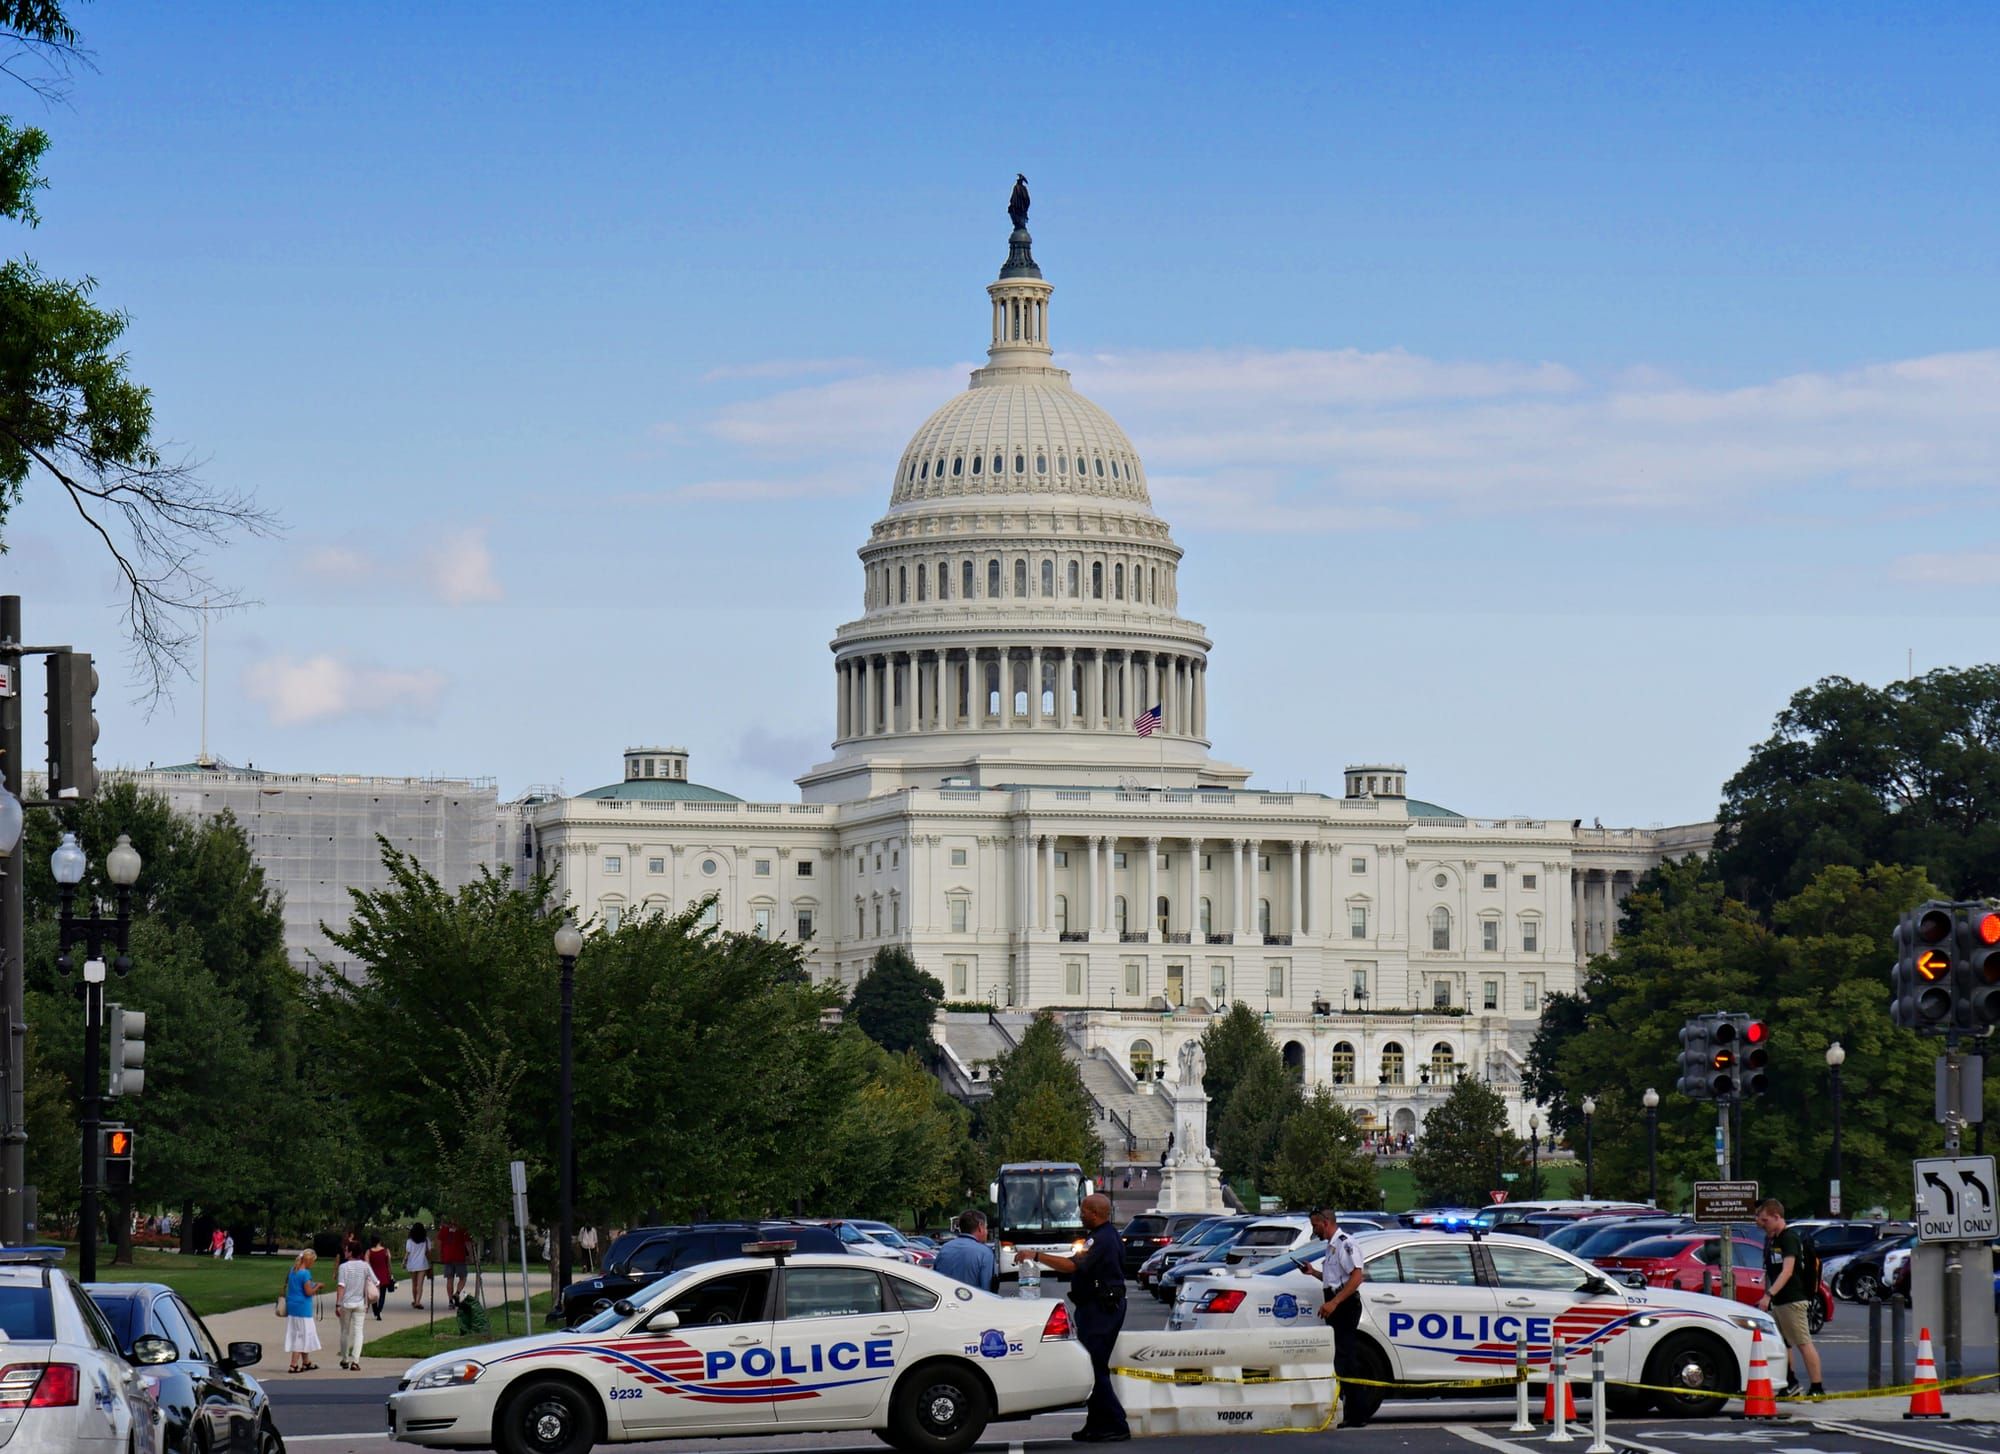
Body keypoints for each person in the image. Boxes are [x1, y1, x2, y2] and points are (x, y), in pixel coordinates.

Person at [1019, 1193, 1128, 1443]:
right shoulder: (1101, 1237)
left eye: (1084, 1211)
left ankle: (1116, 1424)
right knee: (1091, 1366)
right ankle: (1097, 1424)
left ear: (1095, 1212)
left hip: (1102, 1309)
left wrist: (1035, 1256)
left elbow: (1072, 1266)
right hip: (1096, 1307)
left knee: (1094, 1366)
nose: (1080, 1215)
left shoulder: (1101, 1239)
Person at [1307, 1207, 1370, 1428]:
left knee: (1345, 1358)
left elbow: (1356, 1277)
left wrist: (1334, 1302)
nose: (1314, 1231)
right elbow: (1335, 1279)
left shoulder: (1345, 1244)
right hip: (1337, 1305)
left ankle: (1354, 1412)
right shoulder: (1331, 1247)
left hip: (1344, 1306)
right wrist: (1313, 1273)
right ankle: (1354, 1412)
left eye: (1315, 1226)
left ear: (1325, 1222)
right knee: (1344, 1357)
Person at [1755, 1197, 1823, 1398]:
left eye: (1765, 1220)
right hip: (1779, 1301)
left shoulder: (1789, 1238)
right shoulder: (1773, 1239)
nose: (1762, 1225)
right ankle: (1790, 1382)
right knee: (1783, 1343)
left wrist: (1768, 1295)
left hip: (1793, 1299)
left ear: (1777, 1217)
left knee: (1803, 1342)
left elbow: (1787, 1271)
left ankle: (1817, 1387)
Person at [334, 1243, 380, 1371]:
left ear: (350, 1252)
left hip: (346, 1303)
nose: (345, 1252)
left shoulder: (343, 1267)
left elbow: (341, 1286)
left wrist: (338, 1303)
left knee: (345, 1331)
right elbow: (376, 1281)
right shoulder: (365, 1266)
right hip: (360, 1303)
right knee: (359, 1332)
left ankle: (344, 1358)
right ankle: (356, 1361)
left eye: (346, 1250)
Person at [933, 1209, 997, 1292]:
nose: (986, 1232)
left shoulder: (945, 1248)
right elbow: (986, 1290)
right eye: (986, 1227)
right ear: (980, 1227)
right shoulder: (985, 1253)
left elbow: (936, 1279)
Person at [282, 1251, 324, 1373]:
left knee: (303, 1333)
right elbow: (308, 1292)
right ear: (309, 1261)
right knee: (302, 1335)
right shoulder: (305, 1273)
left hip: (292, 1306)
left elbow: (300, 1286)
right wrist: (318, 1286)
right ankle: (293, 1364)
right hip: (303, 1308)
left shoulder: (293, 1270)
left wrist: (313, 1285)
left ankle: (306, 1361)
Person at [436, 1218, 470, 1307]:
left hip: (447, 1256)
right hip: (460, 1257)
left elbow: (439, 1242)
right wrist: (470, 1255)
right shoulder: (462, 1229)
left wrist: (440, 1254)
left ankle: (450, 1300)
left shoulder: (444, 1229)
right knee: (463, 1278)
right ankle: (457, 1293)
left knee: (449, 1279)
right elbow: (467, 1243)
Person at [366, 1233, 395, 1320]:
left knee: (374, 1294)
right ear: (380, 1241)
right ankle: (379, 1310)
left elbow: (366, 1264)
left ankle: (375, 1310)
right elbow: (389, 1263)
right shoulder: (386, 1251)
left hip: (373, 1275)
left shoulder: (369, 1252)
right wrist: (391, 1274)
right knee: (382, 1295)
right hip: (384, 1275)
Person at [405, 1223, 431, 1309]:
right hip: (422, 1264)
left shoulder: (409, 1241)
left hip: (412, 1264)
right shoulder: (426, 1240)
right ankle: (418, 1301)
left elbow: (407, 1253)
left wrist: (404, 1262)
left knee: (414, 1284)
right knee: (420, 1285)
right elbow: (428, 1252)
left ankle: (414, 1300)